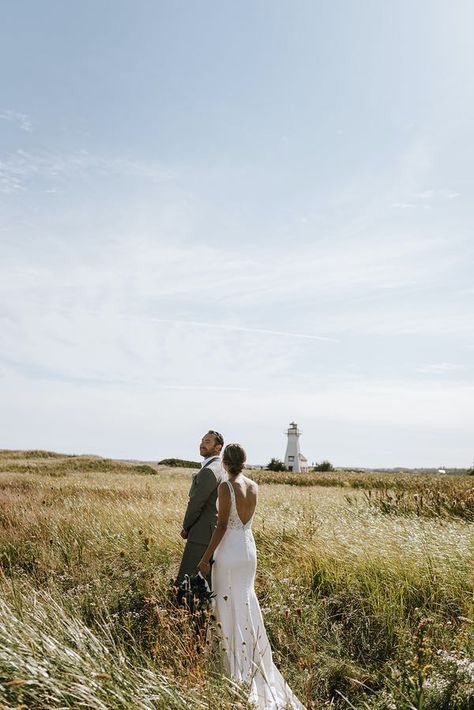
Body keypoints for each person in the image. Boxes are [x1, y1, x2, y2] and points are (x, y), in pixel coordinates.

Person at [198, 444, 306, 710]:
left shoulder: (226, 487)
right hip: (248, 550)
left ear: (224, 462)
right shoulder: (254, 486)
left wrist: (205, 557)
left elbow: (222, 525)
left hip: (230, 552)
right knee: (246, 601)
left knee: (227, 603)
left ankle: (234, 668)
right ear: (244, 462)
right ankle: (253, 662)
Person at [176, 430, 225, 587]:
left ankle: (183, 610)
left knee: (188, 579)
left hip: (201, 531)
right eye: (202, 440)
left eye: (208, 442)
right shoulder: (221, 468)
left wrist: (186, 527)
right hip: (214, 531)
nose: (202, 444)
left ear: (218, 447)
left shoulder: (209, 471)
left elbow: (196, 504)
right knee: (207, 580)